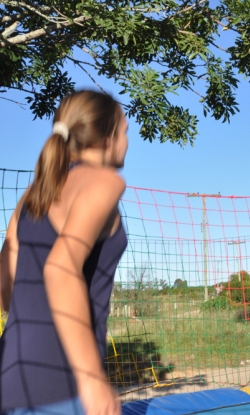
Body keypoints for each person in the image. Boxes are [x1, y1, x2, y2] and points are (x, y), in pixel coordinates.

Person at [0, 90, 129, 415]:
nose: (127, 141)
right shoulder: (104, 183)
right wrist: (90, 379)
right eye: (125, 132)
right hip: (62, 380)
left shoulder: (36, 191)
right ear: (107, 138)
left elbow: (5, 281)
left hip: (11, 374)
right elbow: (59, 269)